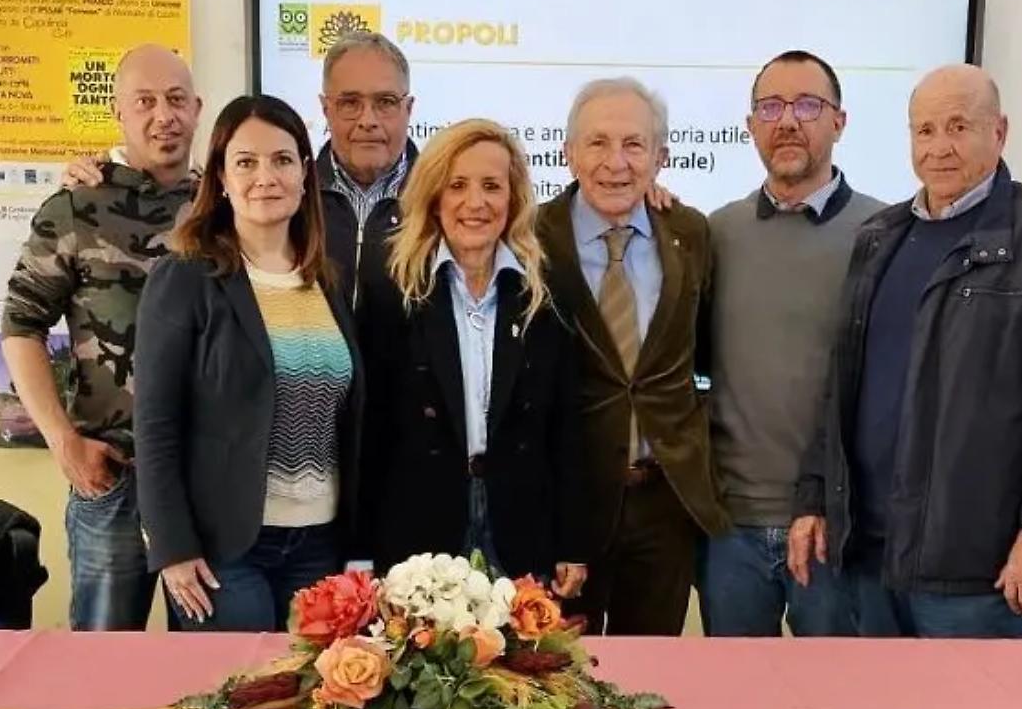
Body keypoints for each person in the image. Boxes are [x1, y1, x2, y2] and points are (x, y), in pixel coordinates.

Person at [788, 64, 1022, 638]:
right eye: (924, 130)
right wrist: (815, 496)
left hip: (980, 575)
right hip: (869, 562)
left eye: (959, 127)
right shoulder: (880, 238)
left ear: (1000, 132)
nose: (939, 147)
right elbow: (842, 387)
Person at [133, 94, 364, 630]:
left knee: (312, 705)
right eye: (246, 161)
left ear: (305, 174)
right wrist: (172, 548)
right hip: (224, 552)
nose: (267, 176)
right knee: (243, 706)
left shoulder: (327, 282)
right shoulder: (185, 278)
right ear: (221, 175)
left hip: (320, 545)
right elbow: (155, 426)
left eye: (283, 160)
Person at [1, 44, 202, 630]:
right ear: (119, 112)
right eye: (145, 101)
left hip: (206, 483)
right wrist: (63, 441)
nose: (162, 115)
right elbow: (20, 325)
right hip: (111, 478)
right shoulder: (74, 206)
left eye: (175, 100)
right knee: (101, 666)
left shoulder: (221, 205)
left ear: (197, 108)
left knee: (214, 671)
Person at [359, 119, 587, 592]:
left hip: (521, 526)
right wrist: (360, 550)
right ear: (435, 196)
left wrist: (572, 545)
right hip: (419, 528)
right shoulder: (394, 285)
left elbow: (566, 426)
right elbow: (371, 428)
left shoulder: (546, 288)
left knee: (521, 665)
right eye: (458, 185)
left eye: (491, 186)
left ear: (514, 197)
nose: (475, 203)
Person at [699, 50, 883, 636]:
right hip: (730, 529)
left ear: (840, 121)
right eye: (770, 106)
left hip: (834, 528)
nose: (788, 121)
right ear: (750, 125)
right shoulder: (714, 233)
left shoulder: (885, 235)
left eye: (808, 105)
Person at [537, 78, 728, 635]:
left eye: (634, 145)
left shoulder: (690, 233)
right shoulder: (530, 236)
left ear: (661, 157)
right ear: (568, 152)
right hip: (566, 499)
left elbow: (707, 351)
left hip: (663, 502)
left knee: (650, 682)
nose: (615, 163)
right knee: (555, 677)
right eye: (596, 143)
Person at [315, 31, 419, 304]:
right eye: (350, 103)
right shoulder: (294, 199)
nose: (368, 120)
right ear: (326, 109)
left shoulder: (441, 202)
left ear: (408, 109)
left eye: (385, 102)